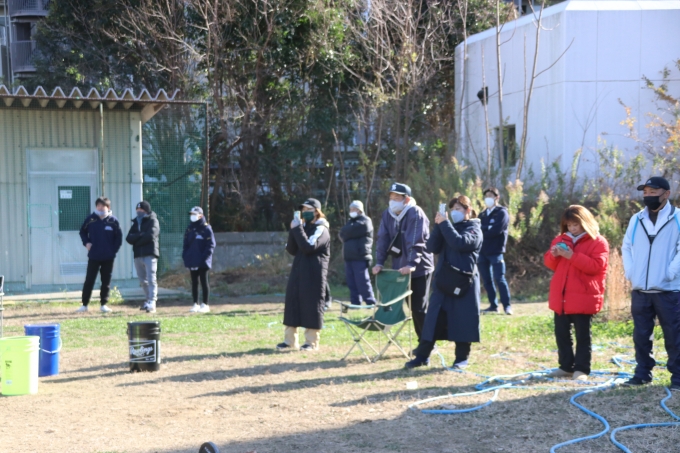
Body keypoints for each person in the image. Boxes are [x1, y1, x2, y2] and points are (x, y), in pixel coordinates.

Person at [405, 195, 483, 369]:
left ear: (468, 210)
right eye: (452, 209)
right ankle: (422, 356)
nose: (454, 212)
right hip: (443, 281)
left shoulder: (474, 228)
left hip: (464, 283)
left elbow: (460, 243)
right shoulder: (448, 227)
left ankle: (461, 359)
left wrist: (445, 224)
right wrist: (439, 226)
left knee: (463, 321)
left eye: (458, 209)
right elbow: (431, 247)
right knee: (432, 320)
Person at [622, 176, 680, 389]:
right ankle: (642, 373)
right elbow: (627, 246)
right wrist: (631, 272)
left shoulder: (677, 218)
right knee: (641, 336)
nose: (648, 196)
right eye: (645, 192)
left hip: (668, 290)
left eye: (653, 192)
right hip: (640, 290)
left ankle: (678, 378)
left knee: (674, 335)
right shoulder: (636, 219)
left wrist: (670, 272)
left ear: (666, 194)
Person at [543, 206, 609, 380]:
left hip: (583, 296)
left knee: (583, 336)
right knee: (562, 334)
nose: (572, 228)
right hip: (561, 296)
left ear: (585, 222)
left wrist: (571, 256)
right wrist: (553, 255)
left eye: (576, 224)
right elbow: (550, 264)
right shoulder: (560, 239)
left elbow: (596, 266)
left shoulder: (598, 242)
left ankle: (581, 369)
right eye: (569, 225)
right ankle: (566, 367)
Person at [374, 183, 434, 340]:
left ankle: (427, 343)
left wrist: (412, 263)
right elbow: (383, 239)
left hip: (419, 267)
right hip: (400, 268)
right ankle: (423, 341)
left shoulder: (415, 212)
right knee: (410, 307)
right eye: (391, 198)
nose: (392, 201)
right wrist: (379, 262)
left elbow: (415, 240)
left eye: (397, 198)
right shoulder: (388, 214)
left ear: (406, 199)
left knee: (419, 307)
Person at [278, 198, 331, 351]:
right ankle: (289, 341)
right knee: (292, 304)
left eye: (309, 210)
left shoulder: (322, 229)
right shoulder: (303, 227)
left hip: (314, 274)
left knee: (312, 306)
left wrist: (298, 230)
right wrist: (293, 229)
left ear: (317, 212)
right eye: (303, 210)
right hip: (298, 272)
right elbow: (292, 249)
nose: (305, 212)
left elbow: (308, 247)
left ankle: (311, 342)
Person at [76, 197, 123, 313]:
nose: (100, 208)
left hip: (108, 257)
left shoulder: (113, 221)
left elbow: (119, 237)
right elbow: (82, 232)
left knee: (106, 281)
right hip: (94, 256)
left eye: (103, 206)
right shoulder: (90, 219)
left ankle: (103, 304)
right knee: (89, 280)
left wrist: (113, 251)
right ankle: (84, 304)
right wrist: (86, 243)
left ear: (108, 207)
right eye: (98, 206)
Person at [478, 187, 512, 315]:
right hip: (482, 251)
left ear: (497, 197)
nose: (488, 198)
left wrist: (485, 229)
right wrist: (487, 228)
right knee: (487, 280)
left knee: (499, 278)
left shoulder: (502, 213)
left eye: (490, 196)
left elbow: (496, 230)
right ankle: (493, 305)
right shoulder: (482, 215)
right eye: (486, 196)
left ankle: (507, 306)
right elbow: (477, 230)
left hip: (496, 251)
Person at [339, 200, 376, 307]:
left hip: (360, 256)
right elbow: (342, 233)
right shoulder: (350, 222)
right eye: (351, 209)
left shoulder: (366, 221)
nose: (352, 211)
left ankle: (370, 302)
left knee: (362, 281)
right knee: (351, 282)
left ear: (360, 210)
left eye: (354, 209)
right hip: (349, 257)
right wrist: (348, 232)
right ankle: (355, 302)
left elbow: (353, 230)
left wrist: (348, 232)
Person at [126, 201, 160, 313]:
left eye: (141, 210)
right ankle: (148, 300)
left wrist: (137, 241)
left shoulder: (153, 220)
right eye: (137, 210)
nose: (139, 212)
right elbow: (128, 238)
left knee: (151, 278)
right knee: (143, 280)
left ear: (146, 210)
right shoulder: (136, 222)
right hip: (138, 255)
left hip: (150, 254)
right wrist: (140, 235)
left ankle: (153, 302)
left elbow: (151, 235)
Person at [182, 206, 216, 314]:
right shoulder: (189, 229)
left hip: (203, 261)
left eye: (194, 214)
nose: (192, 216)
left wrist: (204, 257)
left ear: (200, 216)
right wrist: (186, 256)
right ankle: (195, 303)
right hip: (192, 260)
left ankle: (205, 304)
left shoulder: (206, 228)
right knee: (194, 282)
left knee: (204, 281)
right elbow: (186, 245)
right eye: (191, 214)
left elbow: (211, 245)